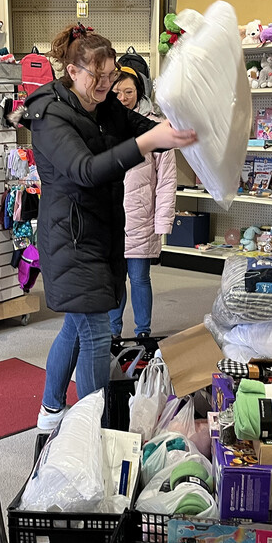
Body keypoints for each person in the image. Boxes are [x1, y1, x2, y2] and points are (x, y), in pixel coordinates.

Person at [20, 23, 196, 431]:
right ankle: (92, 430)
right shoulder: (50, 114)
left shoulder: (102, 105)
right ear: (71, 70)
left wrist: (178, 134)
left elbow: (137, 127)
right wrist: (149, 144)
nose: (105, 85)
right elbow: (85, 171)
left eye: (111, 76)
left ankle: (50, 414)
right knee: (97, 334)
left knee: (75, 328)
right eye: (96, 77)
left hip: (99, 232)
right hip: (70, 238)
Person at [108, 67, 176, 341]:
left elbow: (167, 181)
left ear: (139, 92)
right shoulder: (102, 124)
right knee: (113, 281)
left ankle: (143, 332)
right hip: (111, 218)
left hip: (141, 218)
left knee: (139, 279)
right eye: (117, 92)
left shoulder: (156, 127)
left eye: (129, 92)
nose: (123, 97)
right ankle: (111, 333)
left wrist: (162, 221)